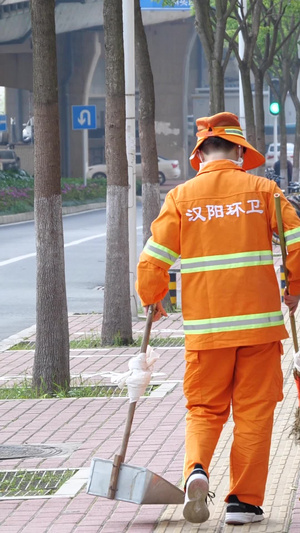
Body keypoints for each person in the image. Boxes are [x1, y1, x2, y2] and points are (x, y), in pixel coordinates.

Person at [135, 112, 300, 525]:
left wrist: (153, 296)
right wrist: (293, 289)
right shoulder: (264, 190)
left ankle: (196, 470)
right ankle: (242, 504)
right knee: (254, 413)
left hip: (206, 332)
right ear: (240, 152)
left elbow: (154, 256)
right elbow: (296, 241)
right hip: (259, 329)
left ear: (200, 154)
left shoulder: (181, 198)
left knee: (205, 409)